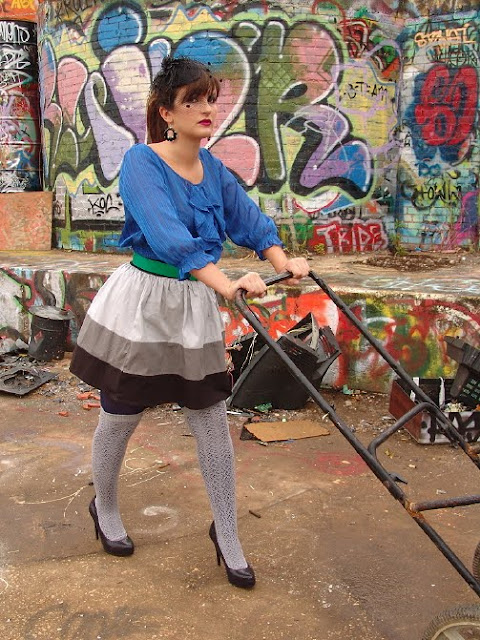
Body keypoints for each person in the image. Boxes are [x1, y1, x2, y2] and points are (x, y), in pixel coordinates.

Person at [70, 55, 310, 589]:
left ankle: (227, 531)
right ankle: (104, 506)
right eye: (192, 100)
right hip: (143, 304)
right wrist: (226, 283)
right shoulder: (141, 162)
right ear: (166, 112)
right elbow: (168, 236)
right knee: (121, 411)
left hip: (193, 304)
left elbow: (249, 220)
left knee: (210, 417)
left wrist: (282, 261)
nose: (206, 109)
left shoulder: (214, 169)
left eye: (210, 100)